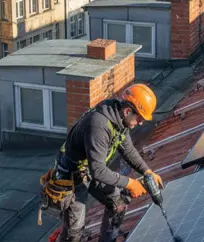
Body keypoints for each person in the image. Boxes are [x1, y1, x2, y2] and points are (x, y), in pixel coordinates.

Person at [39, 84, 162, 242]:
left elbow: (128, 150)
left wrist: (147, 171)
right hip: (71, 174)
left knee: (118, 204)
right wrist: (129, 183)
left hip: (90, 170)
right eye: (139, 118)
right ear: (127, 111)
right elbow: (98, 170)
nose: (140, 123)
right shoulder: (99, 125)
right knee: (74, 231)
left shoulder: (120, 122)